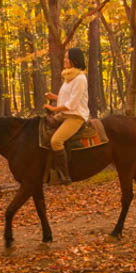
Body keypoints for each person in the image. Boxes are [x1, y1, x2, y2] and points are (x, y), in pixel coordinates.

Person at [44, 47, 89, 185]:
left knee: (56, 141)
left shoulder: (80, 78)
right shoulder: (69, 77)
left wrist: (53, 108)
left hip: (75, 117)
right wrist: (54, 97)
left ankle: (65, 176)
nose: (64, 60)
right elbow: (66, 99)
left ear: (74, 60)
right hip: (64, 115)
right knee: (43, 128)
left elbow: (72, 104)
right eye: (64, 57)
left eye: (67, 58)